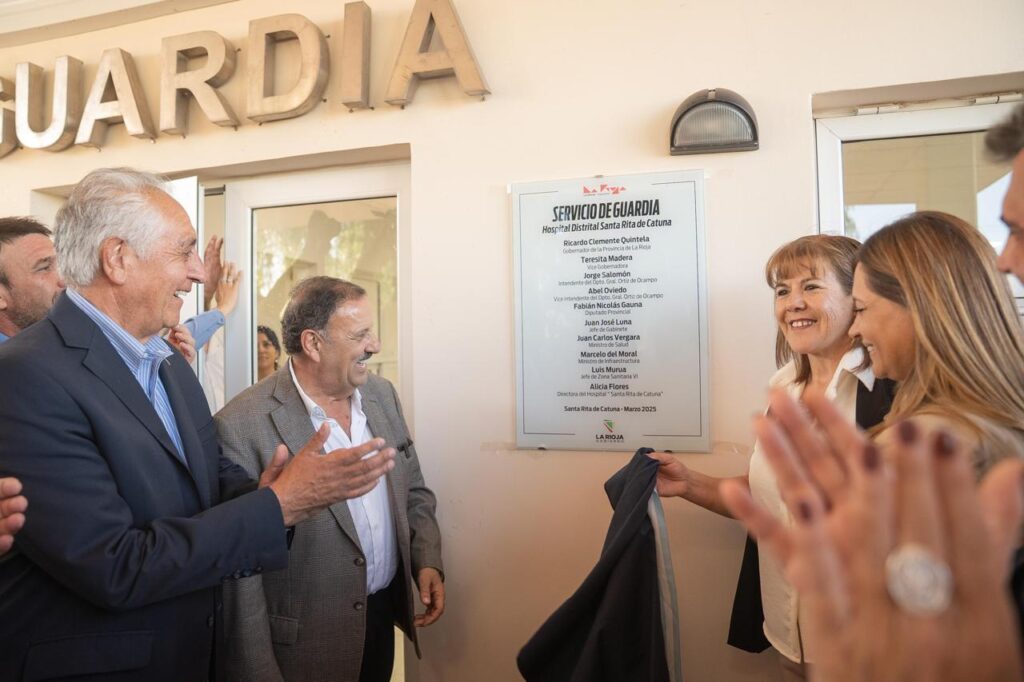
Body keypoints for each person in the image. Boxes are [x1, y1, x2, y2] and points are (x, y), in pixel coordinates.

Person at [0, 168, 398, 682]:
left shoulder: (165, 359)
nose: (197, 274)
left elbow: (208, 478)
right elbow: (113, 566)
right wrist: (278, 505)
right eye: (184, 251)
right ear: (118, 258)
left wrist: (266, 492)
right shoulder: (25, 375)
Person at [649, 234, 893, 680]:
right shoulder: (785, 388)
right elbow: (769, 500)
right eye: (782, 291)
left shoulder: (890, 391)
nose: (792, 303)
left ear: (857, 297)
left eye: (811, 286)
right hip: (791, 640)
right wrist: (689, 483)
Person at [218, 276, 444, 682]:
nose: (375, 345)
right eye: (360, 335)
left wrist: (426, 560)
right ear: (313, 343)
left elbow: (413, 488)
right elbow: (240, 575)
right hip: (303, 648)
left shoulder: (382, 395)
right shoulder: (239, 426)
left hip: (379, 622)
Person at [848, 210, 1024, 469]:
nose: (853, 330)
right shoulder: (1000, 421)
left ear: (919, 306)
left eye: (861, 309)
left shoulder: (915, 447)